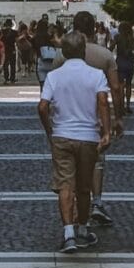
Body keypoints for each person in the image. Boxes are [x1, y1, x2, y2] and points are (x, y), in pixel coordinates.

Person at [39, 30, 113, 251]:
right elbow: (102, 103)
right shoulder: (96, 75)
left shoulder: (54, 76)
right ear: (83, 50)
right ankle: (82, 227)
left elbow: (42, 107)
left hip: (62, 135)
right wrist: (107, 131)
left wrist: (49, 129)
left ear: (63, 51)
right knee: (84, 186)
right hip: (89, 137)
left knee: (64, 185)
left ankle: (68, 233)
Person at [70, 11, 124, 227]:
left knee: (72, 163)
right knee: (96, 162)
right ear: (94, 29)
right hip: (96, 117)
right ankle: (97, 202)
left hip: (70, 117)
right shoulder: (104, 56)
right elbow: (116, 87)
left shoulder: (62, 55)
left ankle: (74, 208)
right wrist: (118, 117)